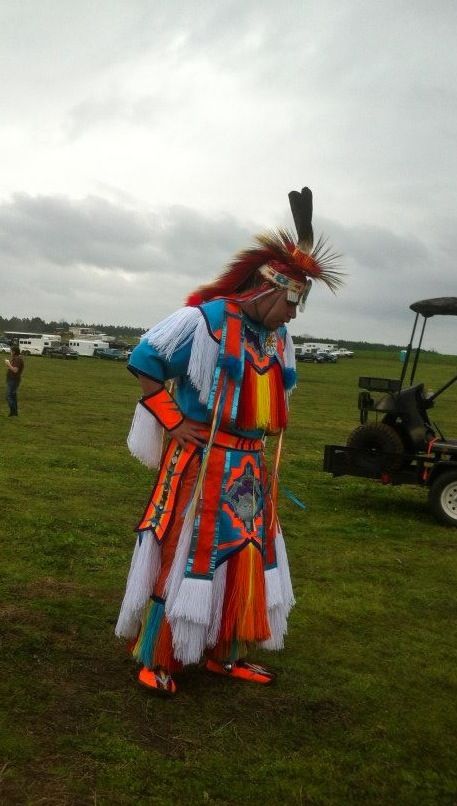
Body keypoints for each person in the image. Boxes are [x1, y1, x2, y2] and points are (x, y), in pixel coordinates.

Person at [115, 187, 342, 695]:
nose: (294, 315)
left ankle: (224, 651)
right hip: (201, 461)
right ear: (267, 289)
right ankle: (159, 656)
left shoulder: (277, 338)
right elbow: (144, 362)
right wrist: (173, 421)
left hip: (249, 467)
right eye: (291, 302)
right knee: (183, 552)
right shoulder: (206, 321)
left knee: (245, 552)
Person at [5, 345, 24, 417]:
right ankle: (14, 413)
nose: (10, 352)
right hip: (12, 379)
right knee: (13, 396)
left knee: (8, 396)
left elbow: (15, 370)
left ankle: (13, 410)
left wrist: (8, 364)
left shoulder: (18, 359)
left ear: (14, 352)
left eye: (11, 351)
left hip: (13, 380)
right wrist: (9, 364)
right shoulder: (15, 358)